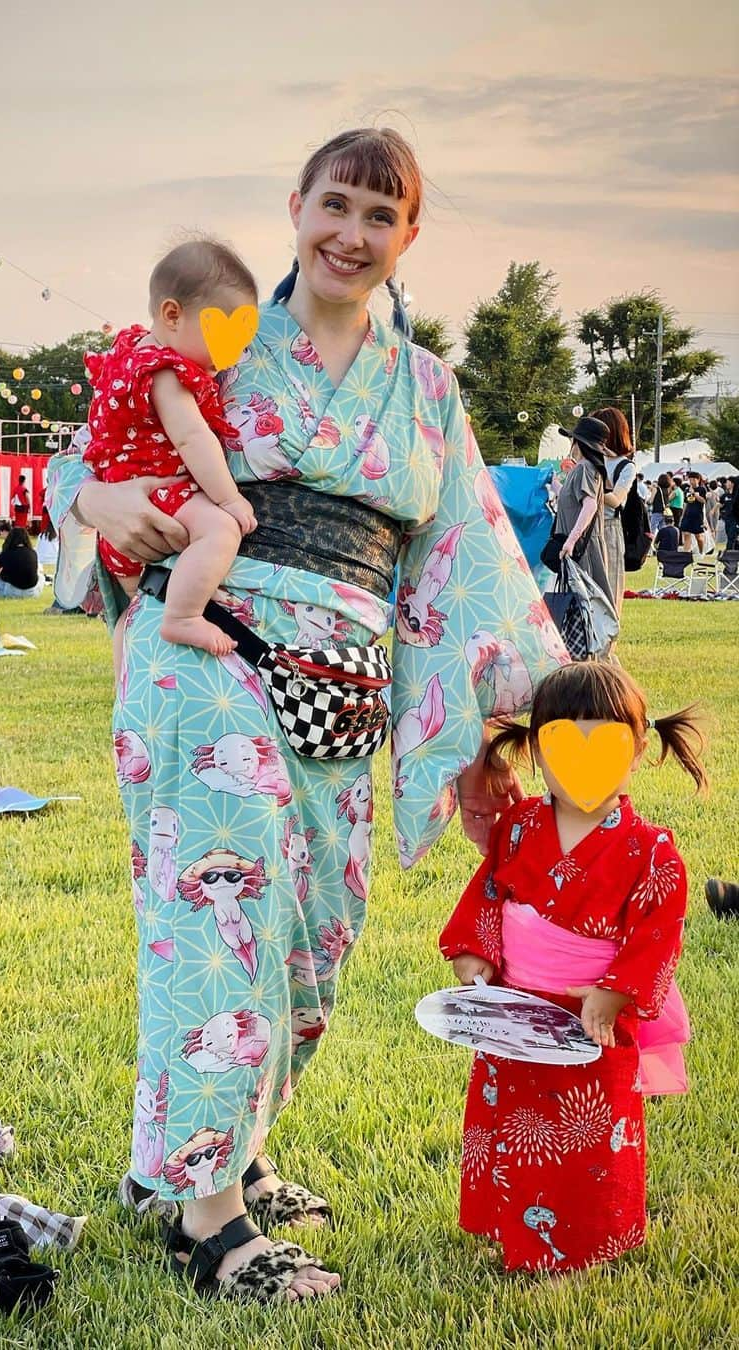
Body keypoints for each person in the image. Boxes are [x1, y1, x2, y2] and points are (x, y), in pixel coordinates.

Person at [44, 127, 567, 1301]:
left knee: (313, 935)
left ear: (408, 236)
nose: (351, 233)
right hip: (211, 647)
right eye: (336, 204)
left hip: (347, 681)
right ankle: (208, 1219)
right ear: (296, 206)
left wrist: (490, 737)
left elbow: (464, 561)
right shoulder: (222, 334)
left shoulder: (424, 387)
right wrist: (103, 495)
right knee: (219, 920)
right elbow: (78, 461)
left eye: (380, 216)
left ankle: (197, 1159)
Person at [439, 661, 703, 1272]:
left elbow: (657, 934)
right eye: (563, 742)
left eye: (606, 742)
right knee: (510, 1119)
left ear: (637, 751)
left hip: (593, 1018)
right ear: (534, 748)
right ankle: (504, 1222)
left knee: (586, 1135)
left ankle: (583, 1239)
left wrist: (618, 991)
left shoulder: (650, 850)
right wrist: (475, 952)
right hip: (513, 1011)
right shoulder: (518, 827)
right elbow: (489, 895)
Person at [83, 238, 259, 662]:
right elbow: (191, 439)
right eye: (221, 333)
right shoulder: (167, 373)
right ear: (173, 315)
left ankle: (127, 676)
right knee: (220, 529)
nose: (230, 354)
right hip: (157, 494)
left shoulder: (128, 354)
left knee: (133, 612)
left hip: (123, 506)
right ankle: (183, 616)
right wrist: (230, 499)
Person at [553, 415, 616, 653]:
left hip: (583, 547)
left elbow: (589, 506)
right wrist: (553, 485)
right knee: (582, 602)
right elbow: (572, 501)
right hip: (580, 545)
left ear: (578, 443)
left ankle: (596, 657)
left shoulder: (587, 468)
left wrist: (570, 541)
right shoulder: (583, 470)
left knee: (587, 602)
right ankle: (588, 654)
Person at [594, 407, 636, 622]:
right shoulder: (586, 458)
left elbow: (617, 500)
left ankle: (606, 649)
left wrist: (591, 485)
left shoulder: (625, 466)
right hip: (585, 528)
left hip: (609, 528)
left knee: (610, 588)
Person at [0, 527, 44, 598]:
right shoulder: (33, 552)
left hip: (11, 592)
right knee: (41, 576)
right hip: (32, 593)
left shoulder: (6, 553)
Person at [678, 472, 708, 554]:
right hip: (687, 515)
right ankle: (686, 553)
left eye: (694, 479)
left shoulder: (702, 489)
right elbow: (685, 504)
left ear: (698, 480)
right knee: (686, 534)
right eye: (690, 479)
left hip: (697, 516)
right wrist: (682, 516)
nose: (692, 481)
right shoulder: (687, 490)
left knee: (698, 536)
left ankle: (701, 552)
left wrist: (694, 493)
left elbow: (704, 501)